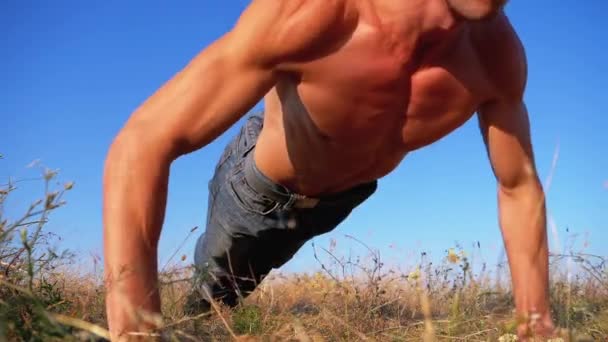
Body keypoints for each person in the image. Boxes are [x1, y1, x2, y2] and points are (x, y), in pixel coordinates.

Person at [103, 0, 556, 339]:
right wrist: (133, 331)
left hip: (336, 204)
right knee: (212, 292)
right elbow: (141, 142)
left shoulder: (497, 57)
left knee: (242, 286)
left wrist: (535, 323)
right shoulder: (314, 14)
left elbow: (519, 185)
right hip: (257, 191)